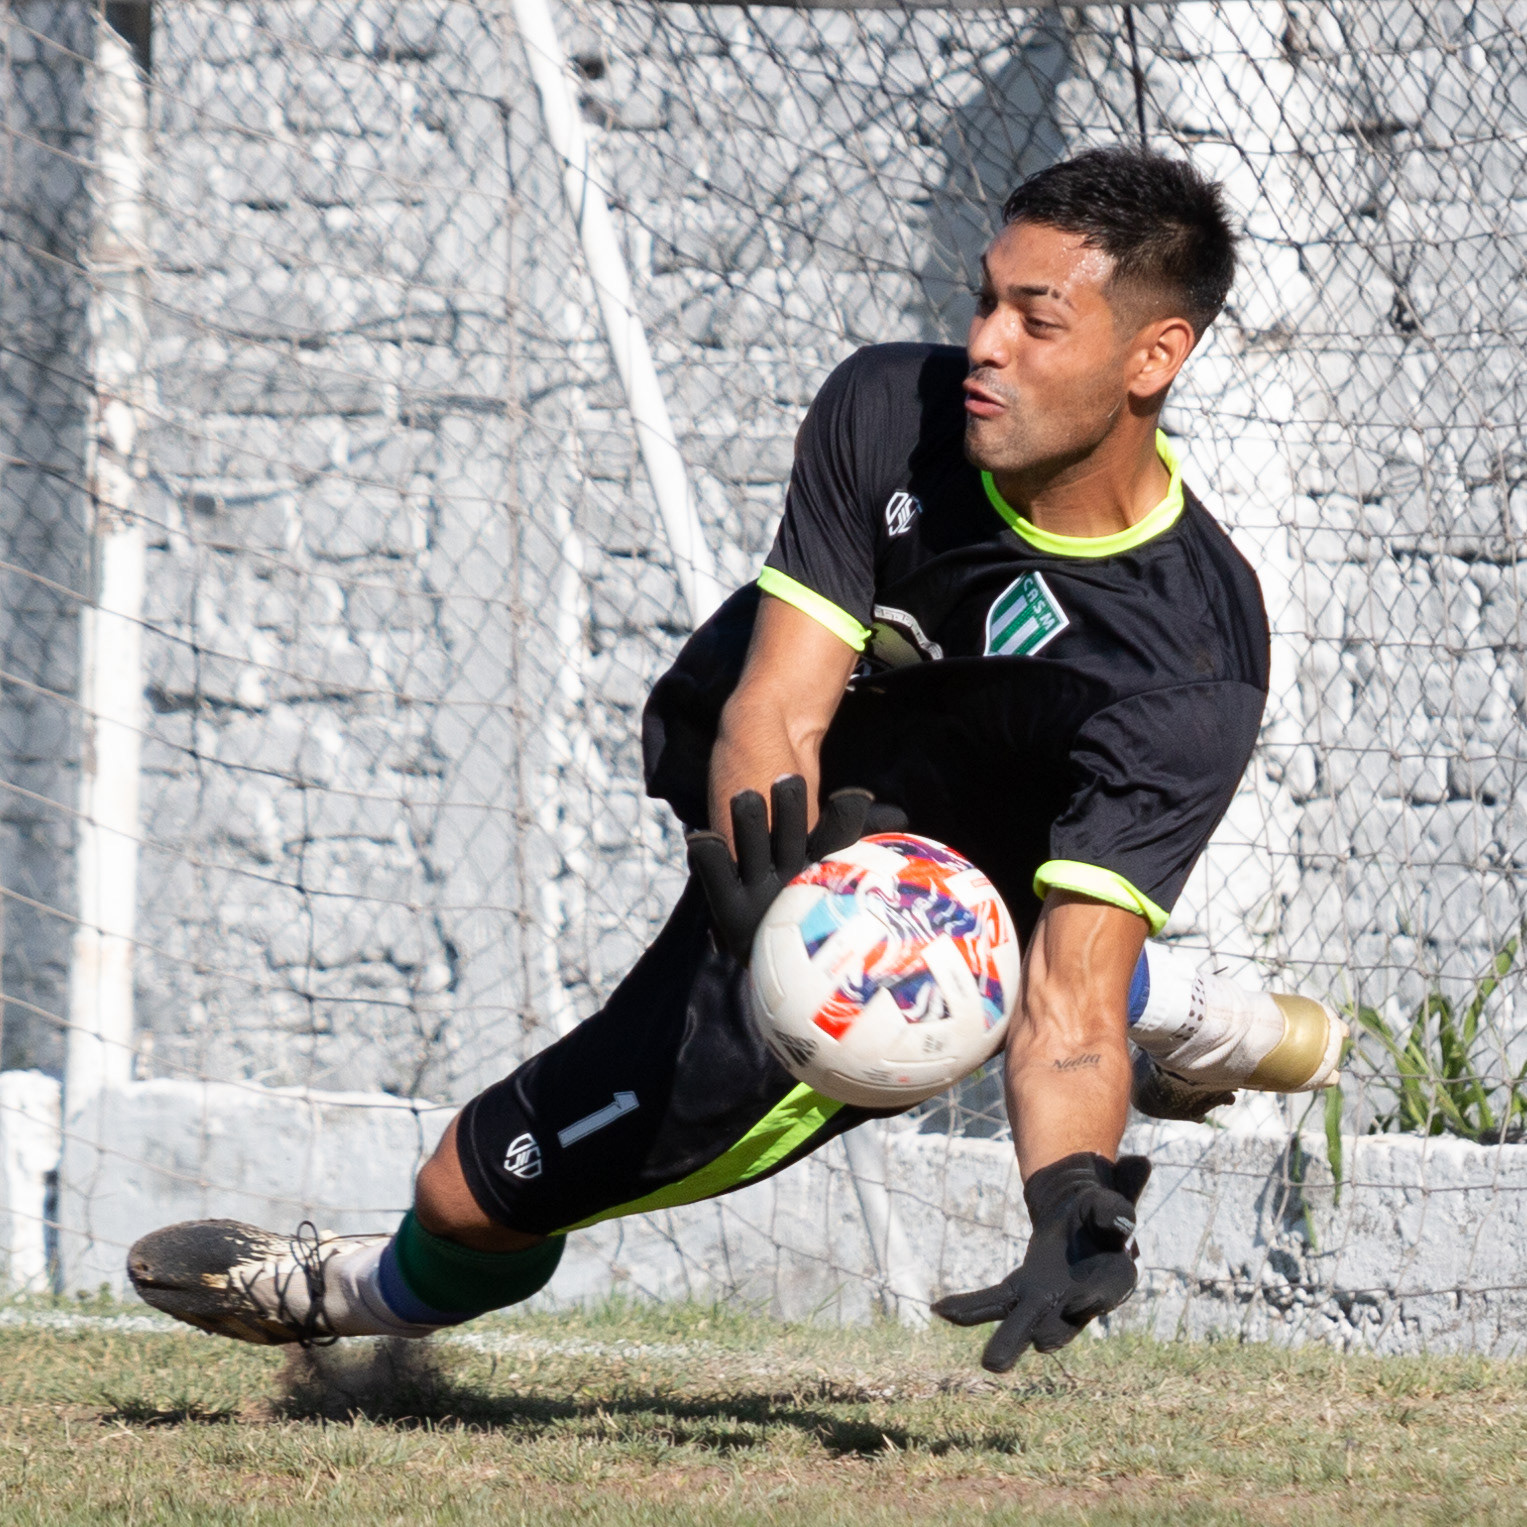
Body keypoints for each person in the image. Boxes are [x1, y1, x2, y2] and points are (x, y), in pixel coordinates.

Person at [128, 148, 1343, 1370]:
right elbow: (778, 705)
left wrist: (1069, 1194)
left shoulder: (1189, 664)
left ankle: (348, 1295)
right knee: (703, 727)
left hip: (893, 947)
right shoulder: (889, 409)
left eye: (1038, 322)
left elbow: (1069, 1008)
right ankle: (1180, 1003)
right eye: (985, 300)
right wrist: (777, 883)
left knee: (464, 1187)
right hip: (798, 839)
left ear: (1154, 359)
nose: (985, 344)